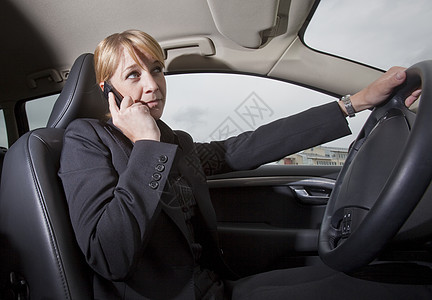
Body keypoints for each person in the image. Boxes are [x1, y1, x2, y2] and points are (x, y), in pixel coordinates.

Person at [58, 30, 424, 300]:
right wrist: (146, 146)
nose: (154, 85)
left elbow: (246, 146)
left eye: (157, 69)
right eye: (134, 75)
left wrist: (355, 103)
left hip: (215, 286)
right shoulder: (86, 140)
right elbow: (109, 256)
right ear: (108, 89)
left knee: (377, 281)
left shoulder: (176, 142)